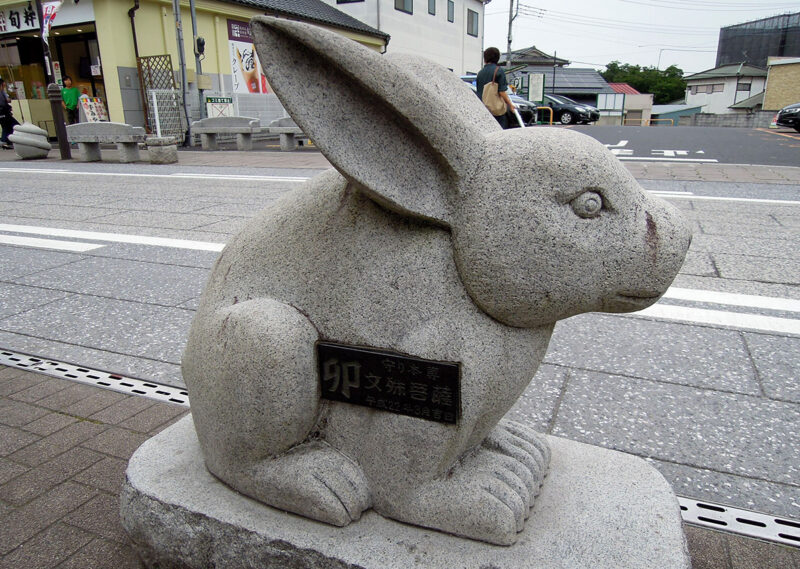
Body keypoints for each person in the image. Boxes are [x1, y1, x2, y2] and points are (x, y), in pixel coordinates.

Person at [475, 47, 516, 129]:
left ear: (485, 59)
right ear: (497, 58)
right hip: (496, 111)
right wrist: (510, 104)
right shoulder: (498, 71)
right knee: (500, 132)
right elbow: (502, 92)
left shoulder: (480, 73)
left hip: (483, 109)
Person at [0, 78, 19, 149]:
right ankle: (4, 141)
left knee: (7, 127)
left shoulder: (2, 92)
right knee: (15, 125)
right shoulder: (1, 93)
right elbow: (6, 101)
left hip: (3, 113)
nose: (5, 84)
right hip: (4, 113)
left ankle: (7, 141)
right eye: (4, 83)